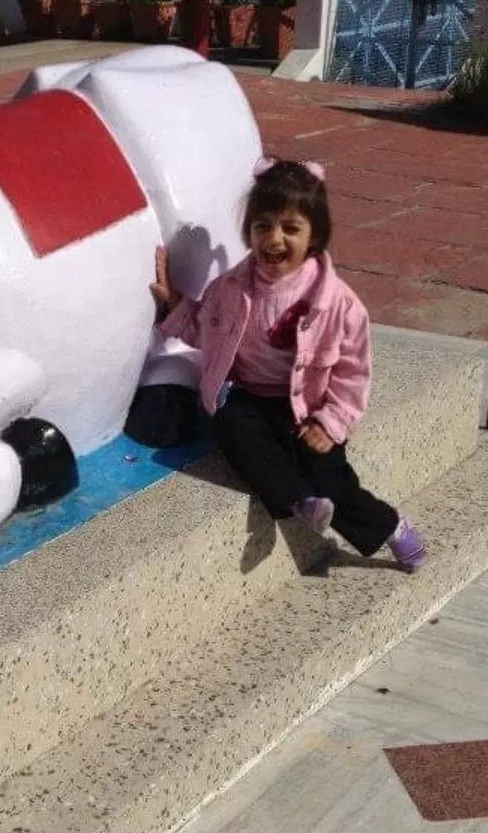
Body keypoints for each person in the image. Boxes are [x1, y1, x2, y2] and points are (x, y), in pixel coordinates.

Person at [150, 157, 427, 572]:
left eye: (291, 228)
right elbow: (206, 331)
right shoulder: (231, 289)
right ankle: (300, 500)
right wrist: (174, 305)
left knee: (332, 477)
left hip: (309, 409)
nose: (274, 239)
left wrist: (331, 422)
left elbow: (352, 374)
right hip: (251, 400)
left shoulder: (338, 304)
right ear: (250, 232)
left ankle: (390, 527)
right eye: (263, 226)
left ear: (314, 236)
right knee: (230, 426)